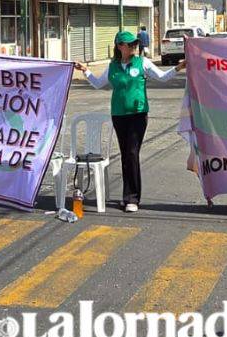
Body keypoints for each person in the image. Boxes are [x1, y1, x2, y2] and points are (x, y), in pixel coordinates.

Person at [73, 31, 184, 213]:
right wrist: (85, 70)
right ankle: (128, 196)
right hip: (119, 115)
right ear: (119, 46)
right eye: (129, 44)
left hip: (138, 114)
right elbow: (98, 83)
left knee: (132, 153)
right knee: (126, 154)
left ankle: (132, 198)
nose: (133, 46)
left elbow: (163, 77)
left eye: (134, 43)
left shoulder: (143, 63)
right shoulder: (113, 66)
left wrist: (180, 67)